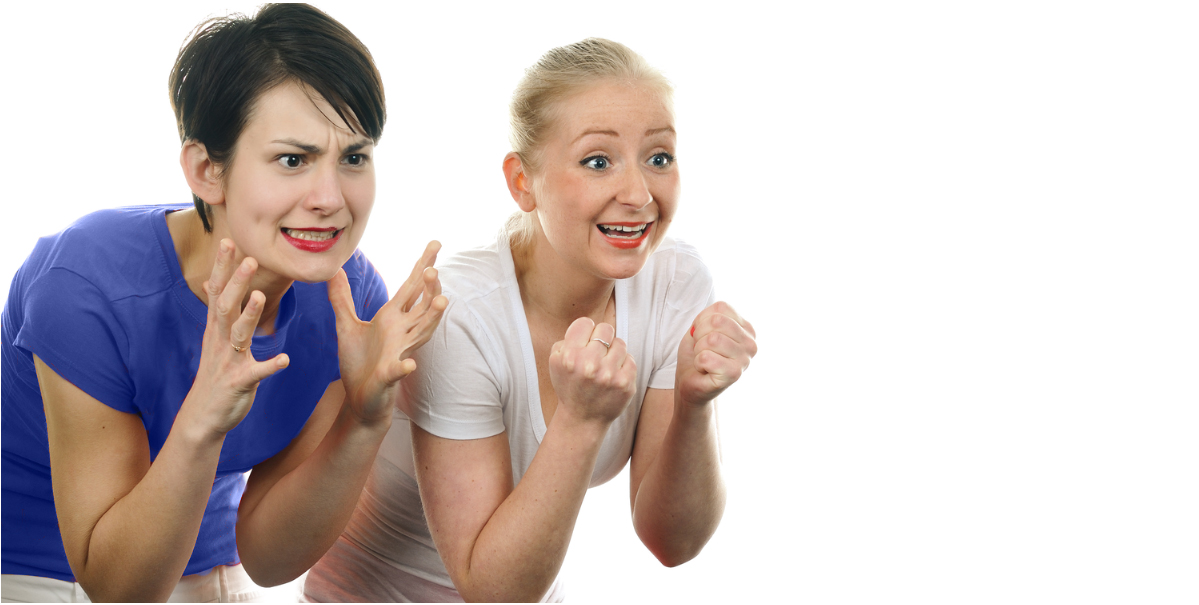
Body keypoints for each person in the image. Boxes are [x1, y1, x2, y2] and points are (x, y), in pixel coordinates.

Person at [0, 4, 447, 602]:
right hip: (41, 565)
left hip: (204, 558)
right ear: (208, 170)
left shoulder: (349, 299)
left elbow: (268, 558)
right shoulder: (86, 285)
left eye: (354, 158)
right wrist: (204, 412)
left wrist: (363, 421)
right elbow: (115, 587)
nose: (329, 198)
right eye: (293, 159)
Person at [303, 38, 758, 602]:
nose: (640, 194)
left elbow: (672, 542)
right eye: (598, 161)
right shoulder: (462, 311)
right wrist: (581, 420)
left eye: (659, 158)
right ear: (523, 182)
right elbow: (492, 591)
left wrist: (694, 403)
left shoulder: (674, 280)